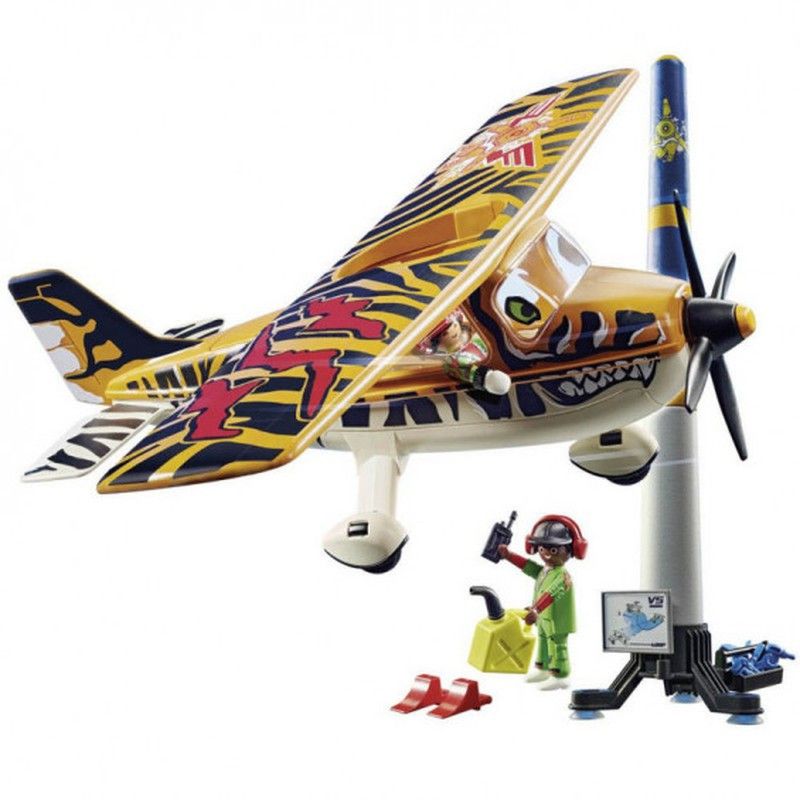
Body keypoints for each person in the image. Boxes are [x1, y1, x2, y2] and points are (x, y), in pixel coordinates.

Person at [497, 515, 587, 690]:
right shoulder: (545, 571)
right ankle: (543, 668)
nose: (546, 554)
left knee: (557, 646)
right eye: (541, 548)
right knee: (543, 642)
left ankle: (560, 675)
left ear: (571, 550)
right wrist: (508, 556)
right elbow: (527, 566)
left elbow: (551, 593)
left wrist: (536, 609)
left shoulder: (562, 576)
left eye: (553, 550)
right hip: (544, 618)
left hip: (557, 621)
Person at [417, 309, 511, 395]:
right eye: (445, 333)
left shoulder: (476, 341)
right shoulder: (453, 360)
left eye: (454, 325)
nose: (453, 331)